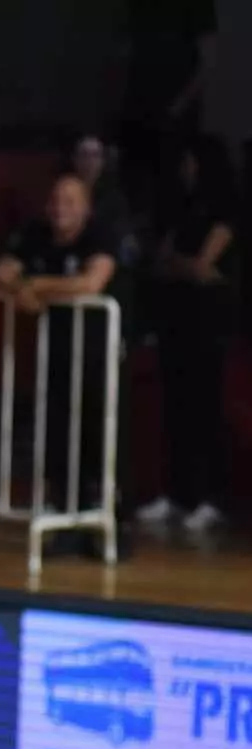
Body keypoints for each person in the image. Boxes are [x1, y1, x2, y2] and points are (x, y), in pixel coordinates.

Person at [0, 173, 120, 554]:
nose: (60, 208)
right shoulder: (35, 233)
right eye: (55, 201)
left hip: (100, 354)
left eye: (70, 201)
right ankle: (65, 523)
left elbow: (91, 283)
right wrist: (20, 288)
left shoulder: (101, 235)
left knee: (100, 439)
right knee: (58, 438)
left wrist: (37, 286)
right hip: (55, 353)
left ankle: (108, 526)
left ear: (86, 208)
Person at [136, 136, 237, 534]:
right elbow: (162, 263)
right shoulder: (180, 209)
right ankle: (178, 494)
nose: (185, 168)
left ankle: (214, 497)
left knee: (205, 410)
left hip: (208, 324)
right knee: (174, 411)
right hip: (176, 321)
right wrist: (182, 264)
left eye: (190, 161)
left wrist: (181, 264)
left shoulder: (225, 210)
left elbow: (201, 267)